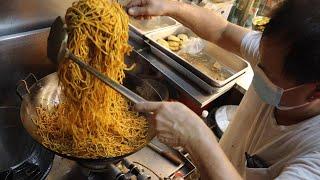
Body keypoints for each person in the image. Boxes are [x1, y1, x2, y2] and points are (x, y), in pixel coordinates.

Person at [126, 0, 320, 179]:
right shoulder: (276, 53)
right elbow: (222, 30)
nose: (258, 69)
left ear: (315, 92)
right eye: (259, 62)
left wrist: (195, 135)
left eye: (269, 75)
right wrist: (173, 6)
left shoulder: (314, 158)